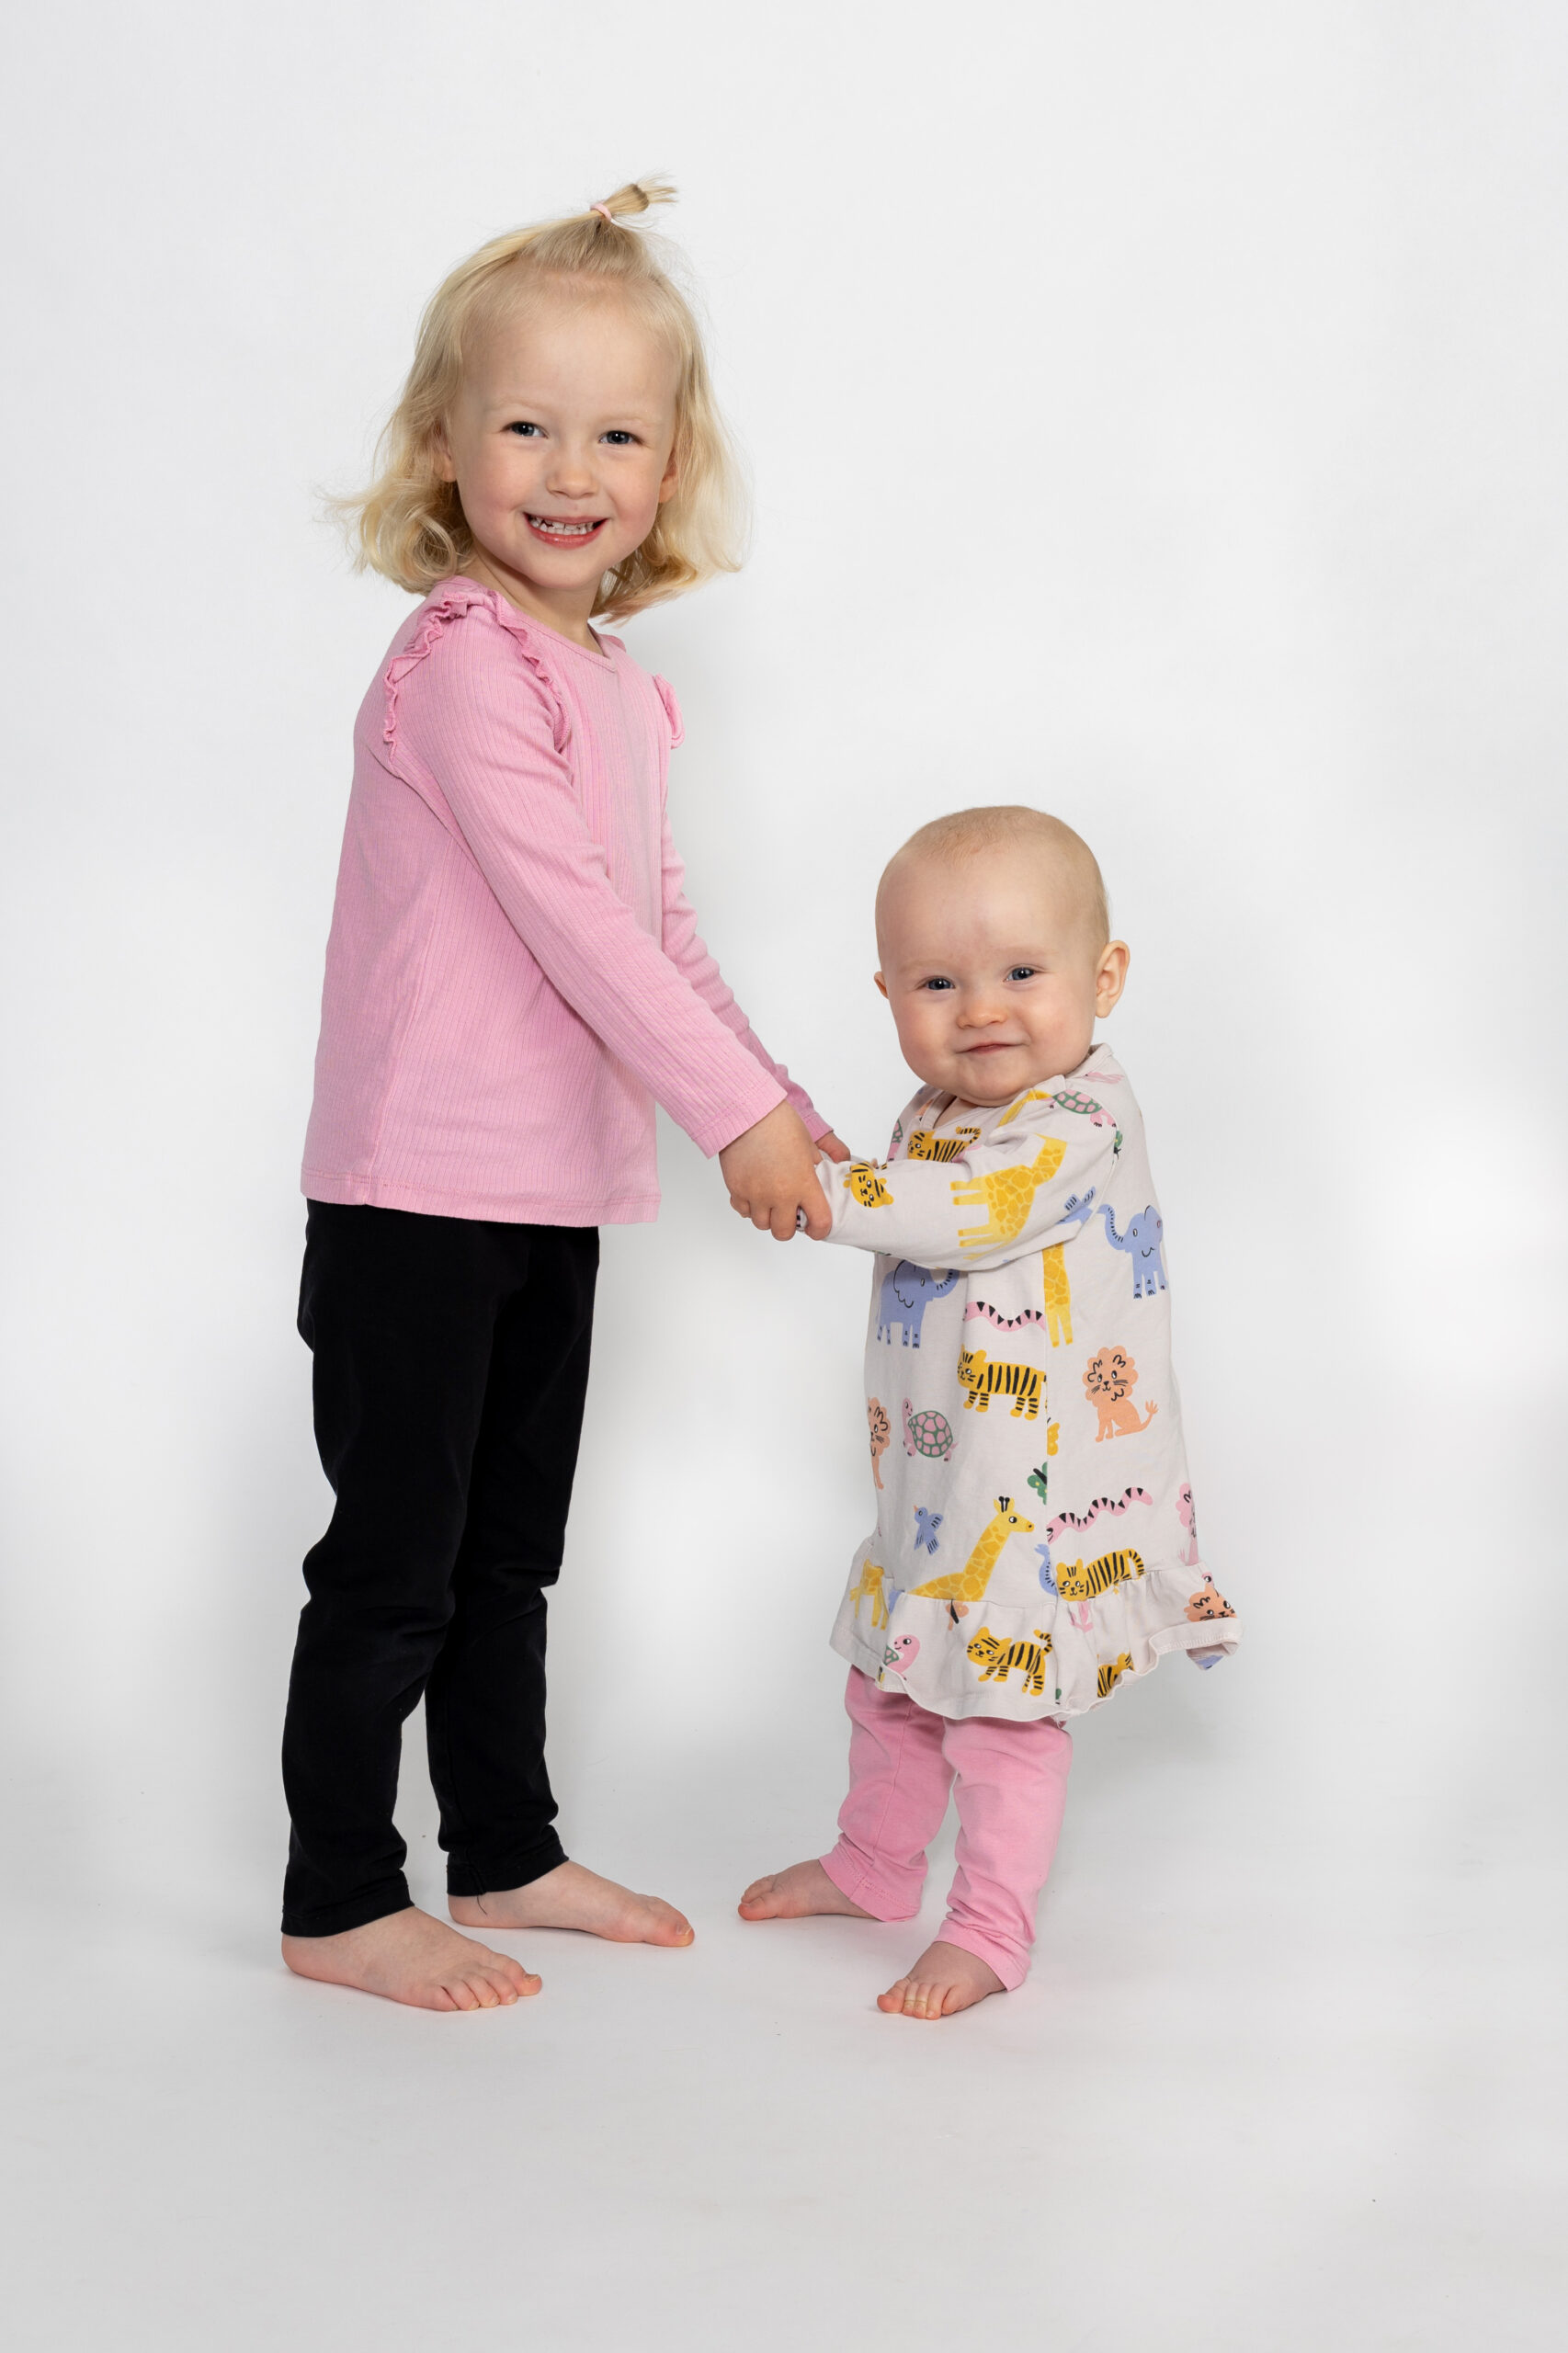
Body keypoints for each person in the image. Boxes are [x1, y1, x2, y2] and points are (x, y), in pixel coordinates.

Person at [283, 181, 846, 2011]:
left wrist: (777, 1097)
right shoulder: (461, 660)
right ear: (445, 444)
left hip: (549, 1189)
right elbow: (574, 928)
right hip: (415, 1195)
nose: (569, 469)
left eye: (615, 433)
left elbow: (660, 930)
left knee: (505, 1557)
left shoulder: (621, 687)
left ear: (671, 466)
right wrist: (732, 1120)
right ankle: (338, 1893)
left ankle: (503, 1848)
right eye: (526, 424)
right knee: (395, 1563)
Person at [740, 806, 1240, 2018]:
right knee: (892, 1687)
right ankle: (873, 1864)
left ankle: (991, 1927)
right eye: (936, 983)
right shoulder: (936, 1107)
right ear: (887, 994)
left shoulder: (1079, 1119)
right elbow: (924, 1189)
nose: (979, 1010)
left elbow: (973, 1211)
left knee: (1003, 1719)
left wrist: (814, 1190)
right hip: (935, 1481)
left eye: (1021, 973)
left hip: (1041, 1505)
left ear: (1102, 978)